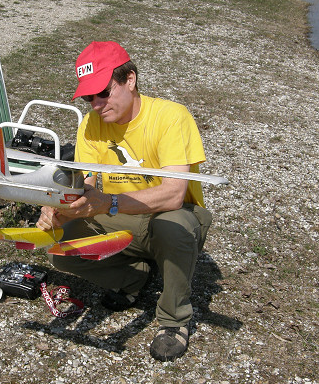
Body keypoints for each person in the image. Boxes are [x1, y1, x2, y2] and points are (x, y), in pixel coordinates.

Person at [36, 41, 213, 362]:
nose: (96, 104)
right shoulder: (91, 124)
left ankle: (174, 320)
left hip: (176, 215)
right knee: (61, 247)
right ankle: (134, 277)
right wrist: (62, 206)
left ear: (129, 80)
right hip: (121, 214)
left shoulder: (172, 117)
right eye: (88, 97)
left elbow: (174, 194)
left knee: (172, 226)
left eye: (103, 92)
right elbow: (87, 183)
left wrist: (108, 203)